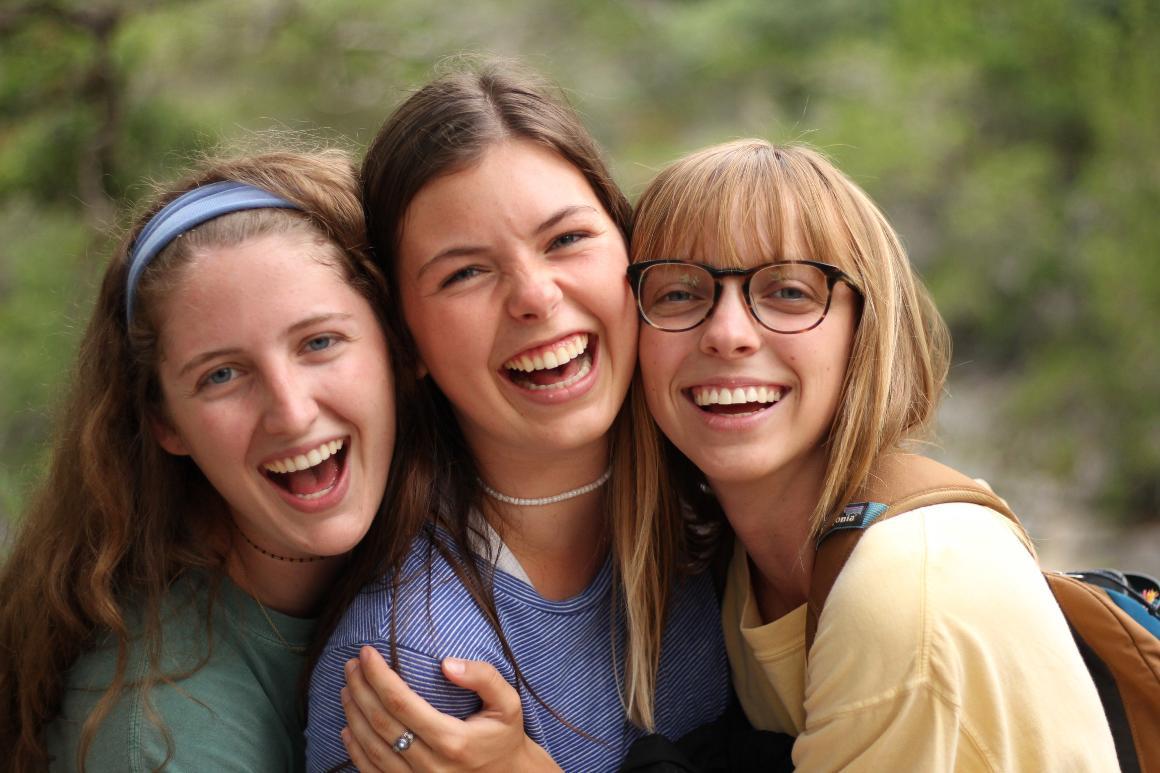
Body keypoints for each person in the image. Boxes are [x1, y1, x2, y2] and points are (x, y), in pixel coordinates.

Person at [626, 138, 1119, 770]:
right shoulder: (738, 565)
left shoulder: (904, 588)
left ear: (866, 328)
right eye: (678, 293)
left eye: (789, 292)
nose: (727, 334)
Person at [305, 63, 730, 772]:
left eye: (565, 239)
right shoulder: (417, 669)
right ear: (405, 341)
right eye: (465, 272)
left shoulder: (715, 512)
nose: (534, 296)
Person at [0, 149, 398, 772]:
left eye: (318, 342)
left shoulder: (460, 533)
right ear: (165, 422)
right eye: (222, 375)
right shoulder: (161, 737)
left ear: (393, 344)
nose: (291, 413)